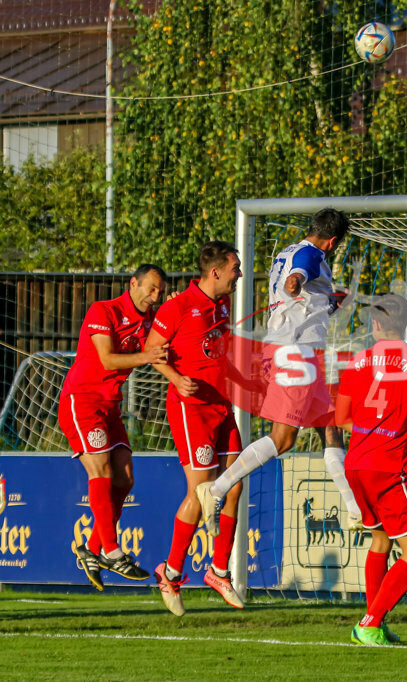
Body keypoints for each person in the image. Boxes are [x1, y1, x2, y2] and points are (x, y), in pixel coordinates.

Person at [195, 209, 358, 536]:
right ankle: (215, 489)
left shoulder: (287, 251)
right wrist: (295, 285)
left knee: (331, 429)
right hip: (294, 355)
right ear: (333, 241)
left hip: (301, 352)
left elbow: (302, 300)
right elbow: (295, 280)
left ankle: (356, 511)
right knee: (283, 439)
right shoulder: (311, 255)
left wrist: (327, 302)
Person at [144, 241, 250, 616]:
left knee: (234, 486)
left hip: (222, 405)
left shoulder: (223, 304)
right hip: (191, 409)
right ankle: (171, 573)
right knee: (201, 491)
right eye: (235, 267)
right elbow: (152, 350)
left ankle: (218, 572)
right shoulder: (177, 306)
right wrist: (177, 378)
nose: (240, 273)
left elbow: (218, 353)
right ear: (216, 271)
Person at [59, 264, 169, 590]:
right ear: (133, 283)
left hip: (110, 406)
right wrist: (147, 355)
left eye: (160, 292)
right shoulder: (103, 310)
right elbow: (107, 359)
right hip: (82, 400)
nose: (155, 296)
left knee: (125, 478)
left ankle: (92, 548)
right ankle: (111, 549)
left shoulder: (149, 320)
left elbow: (163, 345)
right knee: (102, 470)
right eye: (151, 288)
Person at [337, 294, 407, 647]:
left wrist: (370, 435)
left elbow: (342, 418)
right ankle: (370, 623)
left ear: (375, 324)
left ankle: (373, 625)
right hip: (388, 466)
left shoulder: (357, 361)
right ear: (405, 324)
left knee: (380, 540)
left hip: (356, 465)